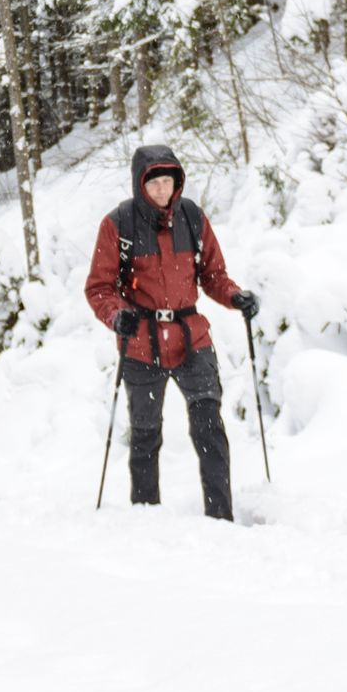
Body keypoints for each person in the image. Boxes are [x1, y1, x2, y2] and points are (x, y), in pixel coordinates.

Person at [83, 143, 257, 518]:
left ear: (177, 182)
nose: (162, 190)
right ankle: (147, 518)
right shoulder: (118, 224)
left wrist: (235, 296)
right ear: (139, 184)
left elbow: (213, 275)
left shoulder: (192, 217)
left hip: (191, 337)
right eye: (154, 183)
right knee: (146, 435)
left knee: (209, 427)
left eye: (167, 181)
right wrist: (117, 316)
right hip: (141, 343)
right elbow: (99, 287)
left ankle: (220, 516)